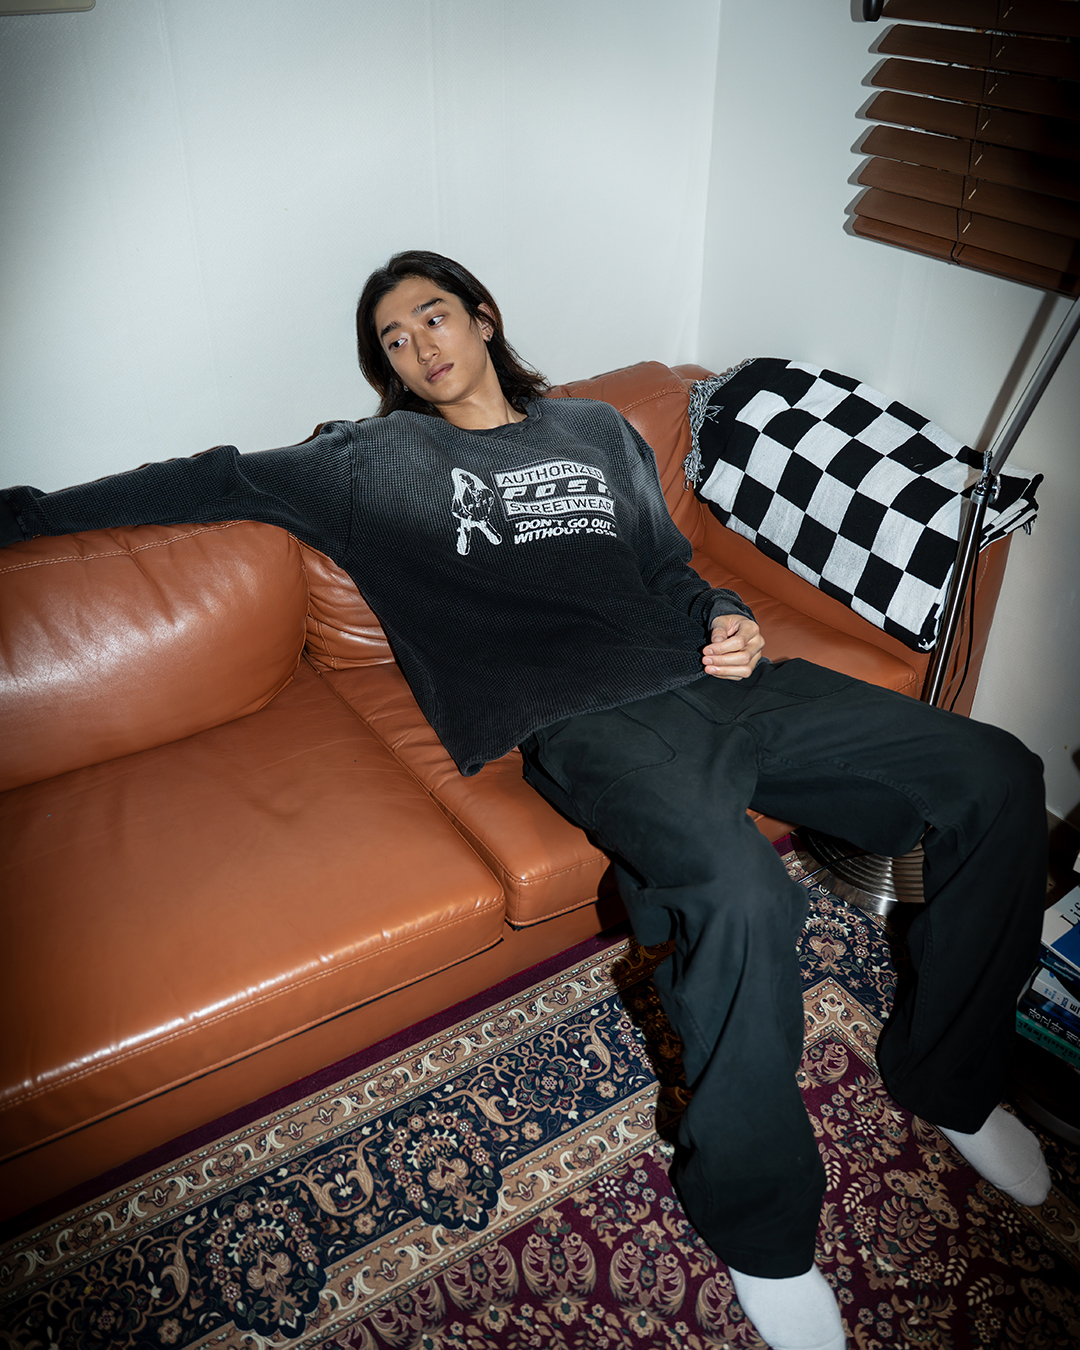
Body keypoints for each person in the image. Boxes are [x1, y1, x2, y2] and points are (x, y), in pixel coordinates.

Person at [0, 251, 1049, 1350]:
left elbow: (664, 565)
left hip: (723, 681)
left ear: (485, 318)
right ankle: (763, 1230)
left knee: (995, 776)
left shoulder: (595, 431)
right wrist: (19, 512)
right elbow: (206, 479)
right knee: (739, 897)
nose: (420, 345)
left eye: (434, 316)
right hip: (592, 720)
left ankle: (952, 1079)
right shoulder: (365, 462)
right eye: (395, 339)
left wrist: (727, 615)